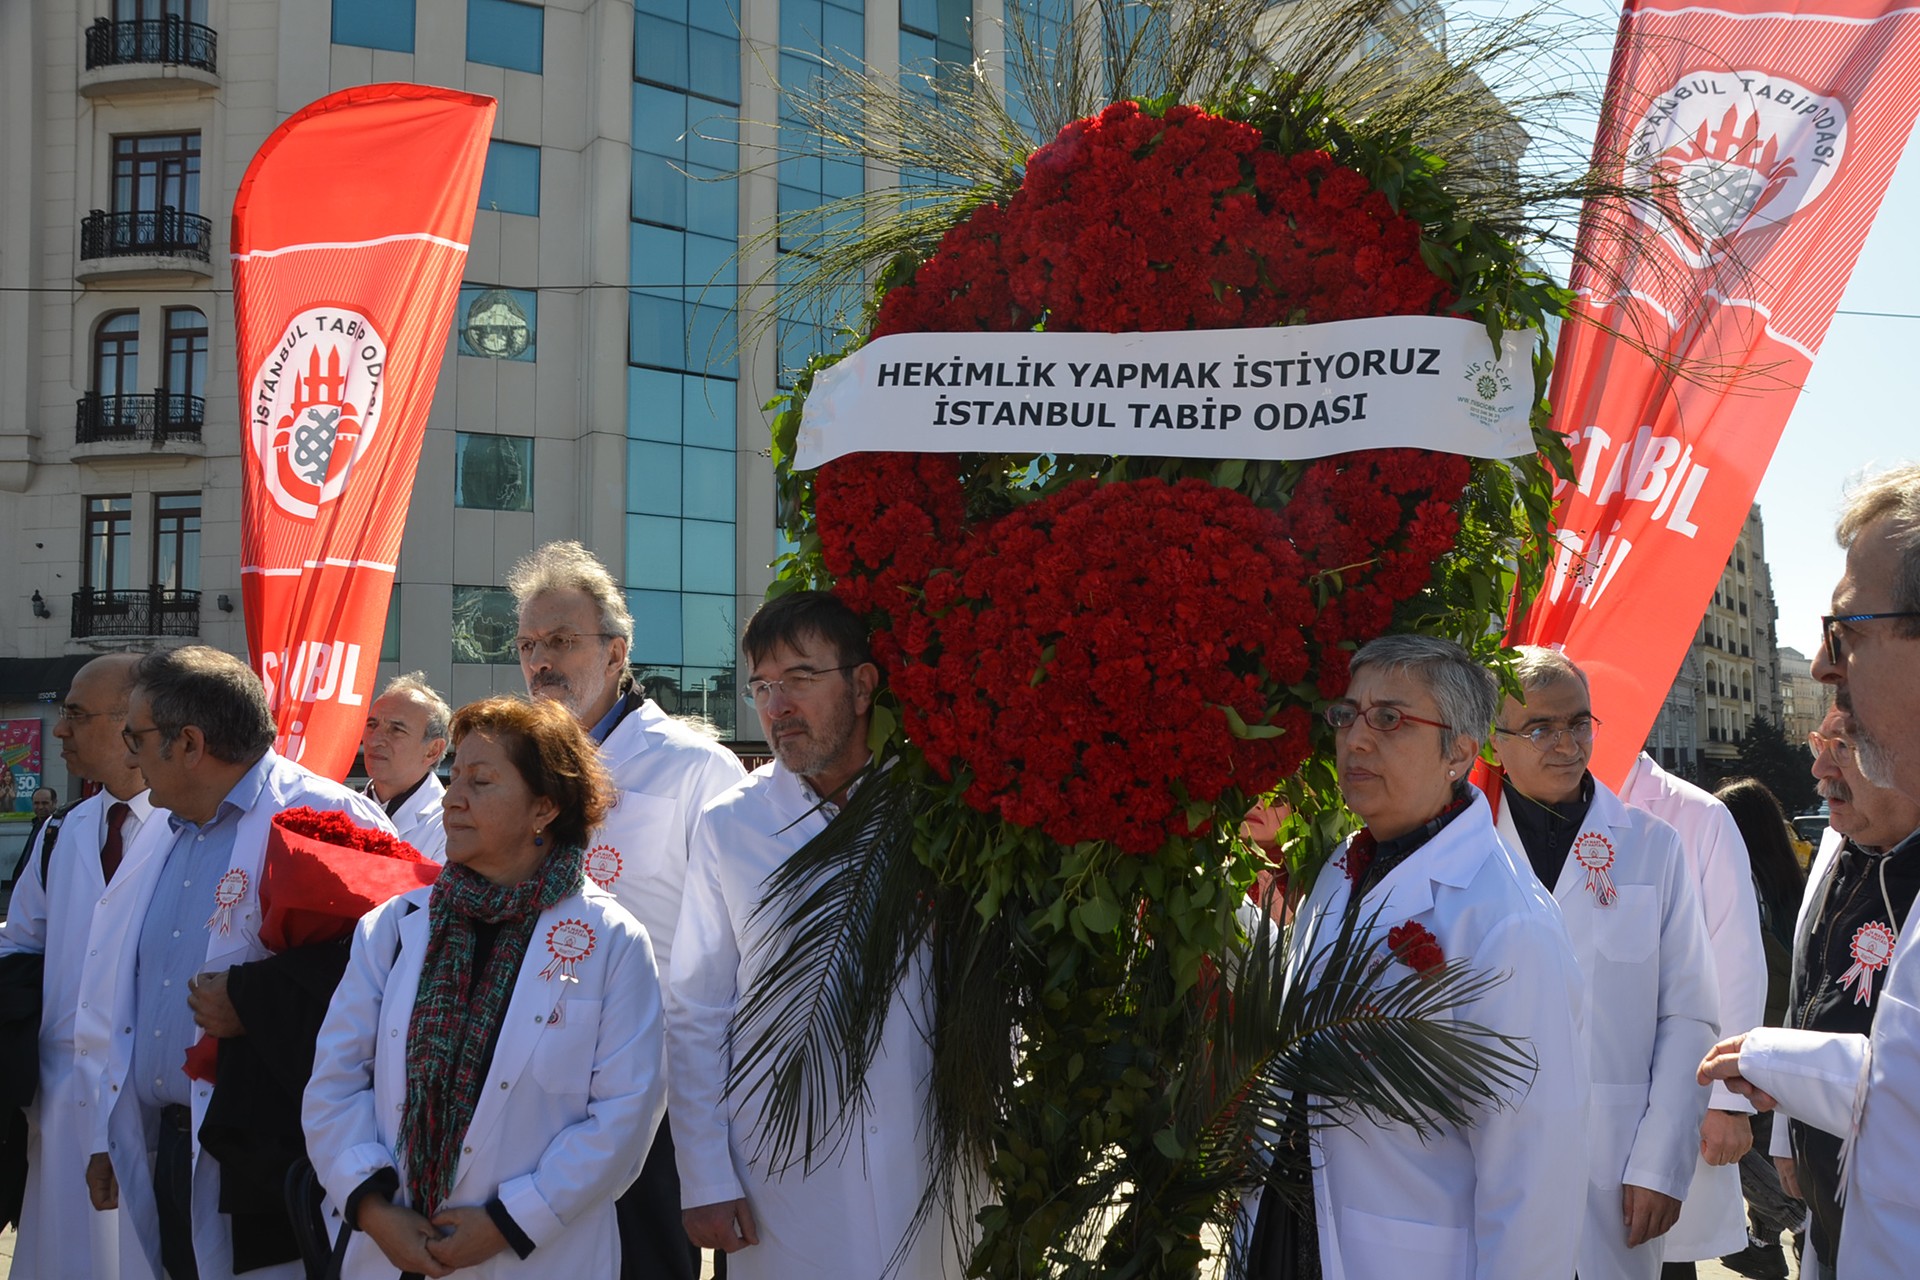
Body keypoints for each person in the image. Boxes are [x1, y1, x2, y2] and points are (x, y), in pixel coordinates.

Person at [1247, 634, 1589, 1278]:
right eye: (1348, 715)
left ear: (1459, 750)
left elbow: (1534, 1173)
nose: (1357, 739)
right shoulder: (1339, 872)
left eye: (1391, 719)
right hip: (1290, 1231)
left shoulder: (1504, 921)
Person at [304, 696, 667, 1278]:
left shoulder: (610, 939)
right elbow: (336, 1083)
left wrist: (508, 1222)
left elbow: (625, 1115)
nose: (452, 798)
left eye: (481, 780)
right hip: (391, 1250)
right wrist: (373, 1209)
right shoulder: (394, 928)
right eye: (453, 777)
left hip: (534, 1258)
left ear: (544, 807)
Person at [73, 645, 394, 1280]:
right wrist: (111, 1135)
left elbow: (391, 978)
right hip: (162, 1141)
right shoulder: (163, 827)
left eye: (136, 737)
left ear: (188, 743)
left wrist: (255, 997)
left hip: (265, 1158)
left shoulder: (325, 819)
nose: (129, 756)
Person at [667, 590, 961, 1279]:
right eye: (763, 686)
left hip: (932, 1162)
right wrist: (705, 1176)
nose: (776, 707)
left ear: (862, 686)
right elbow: (697, 1012)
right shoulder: (730, 826)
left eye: (800, 678)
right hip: (784, 1176)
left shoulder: (935, 813)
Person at [1698, 462, 1920, 1275]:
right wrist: (1787, 1082)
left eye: (1851, 632)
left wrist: (1782, 1066)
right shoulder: (1851, 853)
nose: (1826, 667)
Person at [507, 540, 746, 1280]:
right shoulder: (509, 770)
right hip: (531, 1094)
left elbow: (739, 950)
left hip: (653, 1104)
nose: (541, 662)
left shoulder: (694, 768)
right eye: (527, 645)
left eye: (562, 641)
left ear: (615, 653)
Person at [1486, 647, 1718, 1280]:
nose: (1566, 743)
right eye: (1540, 727)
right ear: (1490, 742)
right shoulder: (1464, 856)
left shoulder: (1652, 848)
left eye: (1579, 722)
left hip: (1617, 1170)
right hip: (1492, 1171)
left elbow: (1690, 1015)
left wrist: (1660, 1162)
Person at [0, 655, 170, 1278]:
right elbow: (20, 946)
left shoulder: (194, 834)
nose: (59, 731)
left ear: (134, 724)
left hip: (153, 1121)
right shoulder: (62, 833)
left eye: (74, 714)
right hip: (57, 1111)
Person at [1754, 711, 1920, 1277]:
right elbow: (1805, 993)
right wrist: (1787, 1129)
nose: (1819, 769)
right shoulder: (1838, 847)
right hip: (1820, 1177)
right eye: (1818, 743)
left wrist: (1779, 1066)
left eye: (1842, 747)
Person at [1621, 749, 1769, 1276]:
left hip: (1679, 1087)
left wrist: (1727, 1100)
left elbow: (1734, 957)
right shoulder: (1516, 804)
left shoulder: (1697, 813)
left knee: (1663, 1252)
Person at [1710, 776, 1808, 1279]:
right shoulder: (1792, 879)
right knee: (1770, 1141)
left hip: (1750, 1034)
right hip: (1790, 1032)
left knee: (1724, 1138)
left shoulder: (1738, 881)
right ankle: (1764, 1244)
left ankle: (1796, 1221)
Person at [360, 672, 451, 862]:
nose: (375, 740)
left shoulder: (451, 825)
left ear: (433, 750)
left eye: (396, 730)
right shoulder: (340, 807)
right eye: (372, 725)